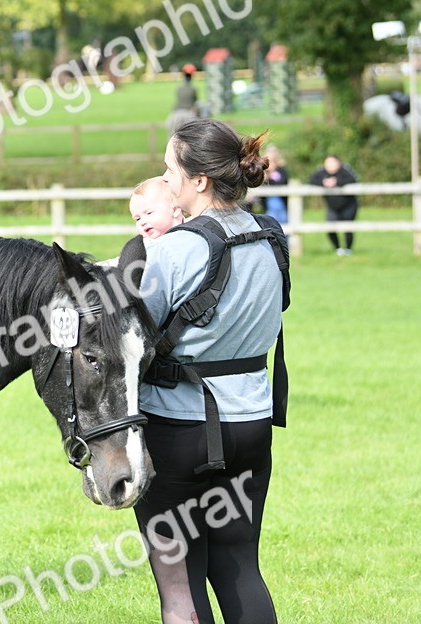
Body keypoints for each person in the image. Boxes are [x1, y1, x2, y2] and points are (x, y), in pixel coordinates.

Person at [136, 119, 284, 624]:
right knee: (240, 566)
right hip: (252, 424)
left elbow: (136, 334)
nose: (165, 179)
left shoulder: (175, 249)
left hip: (179, 431)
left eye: (170, 170)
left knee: (180, 582)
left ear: (199, 180)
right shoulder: (270, 236)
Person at [308, 154, 359, 255]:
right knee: (330, 227)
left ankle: (348, 249)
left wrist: (337, 182)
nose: (330, 166)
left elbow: (353, 180)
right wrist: (323, 182)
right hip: (332, 206)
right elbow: (311, 180)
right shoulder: (321, 171)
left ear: (338, 163)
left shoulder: (345, 170)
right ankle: (337, 248)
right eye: (328, 163)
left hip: (349, 204)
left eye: (333, 163)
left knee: (348, 227)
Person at [129, 176, 184, 241]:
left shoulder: (190, 238)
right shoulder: (146, 244)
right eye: (138, 219)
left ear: (175, 209)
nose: (142, 222)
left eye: (149, 213)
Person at [261, 144, 289, 224]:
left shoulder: (281, 170)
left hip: (282, 201)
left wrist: (271, 174)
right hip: (269, 203)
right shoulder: (263, 171)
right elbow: (262, 185)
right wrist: (267, 175)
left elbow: (283, 182)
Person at [167, 65, 198, 135]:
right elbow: (194, 103)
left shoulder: (179, 88)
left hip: (176, 113)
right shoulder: (193, 88)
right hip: (188, 113)